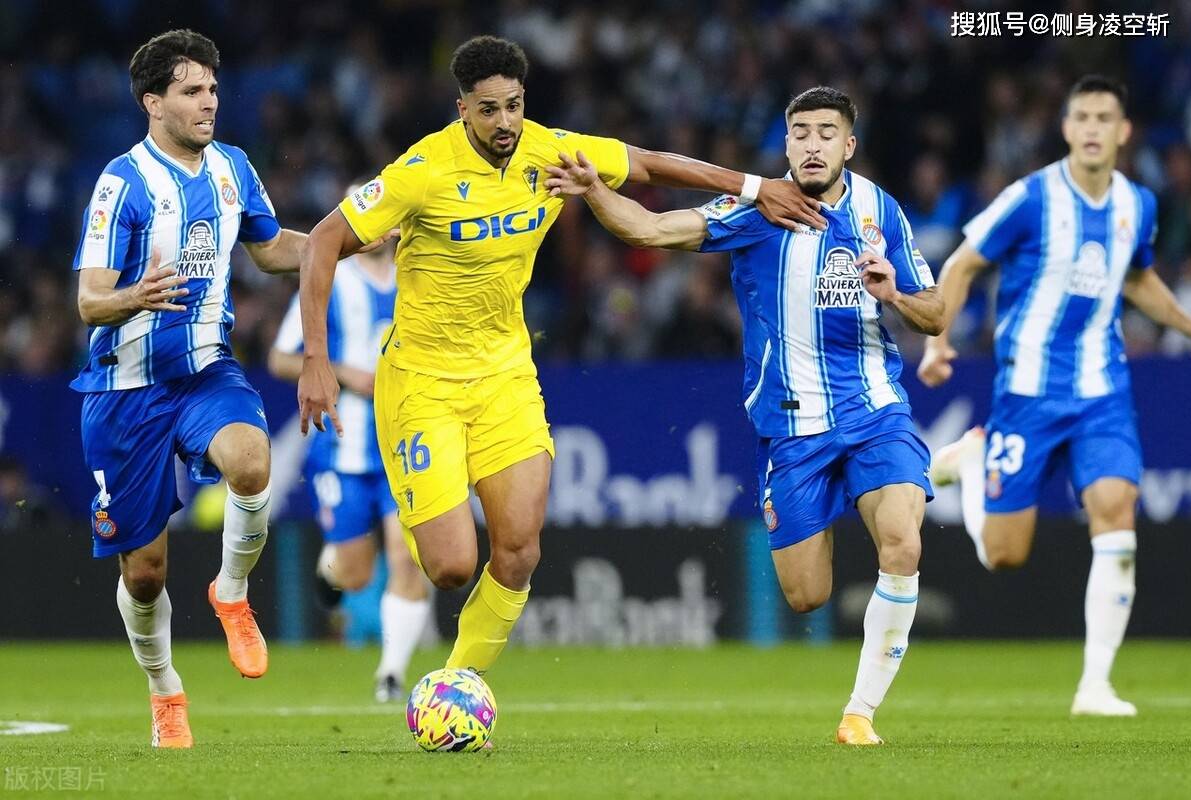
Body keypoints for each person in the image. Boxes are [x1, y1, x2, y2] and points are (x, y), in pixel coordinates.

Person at [295, 35, 825, 701]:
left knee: (520, 550)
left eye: (514, 105)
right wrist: (316, 358)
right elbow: (322, 241)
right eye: (489, 109)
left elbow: (649, 164)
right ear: (463, 110)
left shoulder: (550, 150)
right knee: (451, 566)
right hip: (422, 383)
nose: (506, 122)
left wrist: (755, 186)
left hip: (505, 377)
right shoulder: (421, 171)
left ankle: (457, 686)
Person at [545, 86, 944, 745]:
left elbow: (937, 313)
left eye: (826, 133)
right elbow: (650, 229)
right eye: (801, 133)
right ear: (786, 144)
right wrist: (594, 192)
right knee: (806, 596)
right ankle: (939, 471)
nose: (812, 144)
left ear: (849, 145)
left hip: (875, 410)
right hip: (792, 429)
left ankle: (859, 715)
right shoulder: (758, 208)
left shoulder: (881, 212)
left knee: (902, 543)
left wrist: (896, 293)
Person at [917, 75, 1191, 716]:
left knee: (1116, 510)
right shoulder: (1031, 198)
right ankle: (970, 462)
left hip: (1103, 389)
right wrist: (938, 341)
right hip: (1028, 391)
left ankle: (1095, 685)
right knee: (1004, 555)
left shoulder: (1138, 204)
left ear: (1123, 131)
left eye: (1105, 118)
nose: (1094, 128)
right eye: (1083, 118)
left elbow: (1137, 280)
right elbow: (962, 264)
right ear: (1068, 128)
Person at [72, 30, 308, 748]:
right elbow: (88, 300)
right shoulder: (122, 182)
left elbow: (272, 250)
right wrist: (134, 297)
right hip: (124, 391)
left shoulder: (233, 167)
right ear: (153, 103)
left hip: (206, 371)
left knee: (252, 462)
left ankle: (231, 593)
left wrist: (352, 238)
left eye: (212, 88)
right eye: (191, 91)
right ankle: (165, 689)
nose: (210, 102)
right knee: (145, 575)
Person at [269, 204, 430, 704]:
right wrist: (343, 373)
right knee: (356, 574)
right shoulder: (329, 276)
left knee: (407, 556)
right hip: (343, 448)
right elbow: (279, 359)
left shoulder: (420, 272)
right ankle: (333, 564)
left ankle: (391, 673)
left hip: (409, 442)